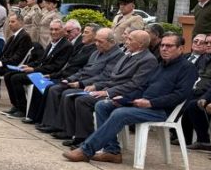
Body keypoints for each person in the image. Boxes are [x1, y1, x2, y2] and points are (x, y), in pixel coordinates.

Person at [63, 33, 196, 163]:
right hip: (143, 105)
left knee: (120, 113)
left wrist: (151, 103)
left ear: (180, 48)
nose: (164, 49)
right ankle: (112, 151)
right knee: (103, 105)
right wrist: (124, 99)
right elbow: (142, 88)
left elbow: (180, 96)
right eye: (162, 45)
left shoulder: (187, 68)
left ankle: (86, 150)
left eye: (169, 46)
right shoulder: (161, 65)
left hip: (162, 110)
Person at [53, 30, 159, 147]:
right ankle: (77, 135)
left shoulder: (148, 60)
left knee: (83, 101)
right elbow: (112, 77)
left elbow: (134, 84)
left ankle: (87, 139)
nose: (125, 42)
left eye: (130, 39)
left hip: (123, 95)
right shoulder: (128, 55)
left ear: (140, 44)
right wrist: (98, 87)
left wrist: (107, 92)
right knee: (73, 96)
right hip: (109, 89)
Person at [33, 28, 123, 134]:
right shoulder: (97, 52)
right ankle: (53, 123)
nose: (97, 44)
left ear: (111, 42)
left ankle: (68, 131)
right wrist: (70, 79)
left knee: (67, 94)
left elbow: (104, 76)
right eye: (96, 40)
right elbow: (83, 70)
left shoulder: (117, 55)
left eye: (100, 41)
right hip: (83, 81)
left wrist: (80, 83)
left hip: (96, 86)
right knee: (55, 88)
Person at [19, 22, 97, 125]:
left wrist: (55, 76)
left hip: (73, 78)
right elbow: (65, 65)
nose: (83, 34)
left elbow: (77, 69)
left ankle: (49, 122)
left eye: (86, 32)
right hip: (64, 75)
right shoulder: (81, 46)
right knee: (39, 83)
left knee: (52, 88)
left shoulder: (91, 50)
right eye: (83, 32)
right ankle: (36, 117)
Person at [1, 20, 73, 117]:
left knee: (16, 78)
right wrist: (30, 66)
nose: (53, 32)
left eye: (56, 29)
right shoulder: (52, 43)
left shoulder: (66, 46)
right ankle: (16, 105)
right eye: (51, 29)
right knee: (8, 75)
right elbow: (42, 60)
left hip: (48, 75)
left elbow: (56, 66)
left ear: (63, 30)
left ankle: (22, 108)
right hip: (40, 70)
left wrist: (34, 70)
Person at [178, 34, 211, 145]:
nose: (208, 45)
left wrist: (201, 93)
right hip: (196, 90)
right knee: (178, 96)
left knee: (190, 103)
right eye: (206, 42)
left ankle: (196, 139)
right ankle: (179, 134)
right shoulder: (203, 58)